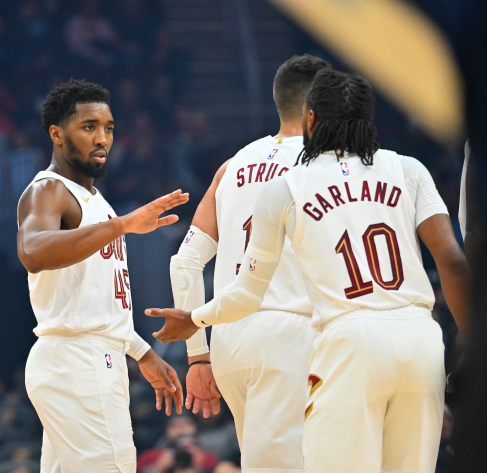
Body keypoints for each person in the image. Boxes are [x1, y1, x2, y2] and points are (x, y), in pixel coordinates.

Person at [147, 69, 471, 472]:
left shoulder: (244, 171)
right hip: (390, 335)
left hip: (265, 334)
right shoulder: (406, 169)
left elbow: (190, 264)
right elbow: (454, 262)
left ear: (311, 114)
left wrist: (196, 342)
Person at [168, 54, 330, 472]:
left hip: (228, 342)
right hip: (289, 332)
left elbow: (184, 263)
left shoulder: (230, 167)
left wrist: (198, 357)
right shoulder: (325, 167)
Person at [17, 78, 188, 472]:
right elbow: (32, 251)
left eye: (108, 128)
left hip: (83, 359)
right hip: (78, 362)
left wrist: (141, 351)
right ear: (57, 134)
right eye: (88, 127)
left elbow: (95, 300)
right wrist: (123, 226)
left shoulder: (99, 203)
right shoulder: (49, 190)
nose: (102, 138)